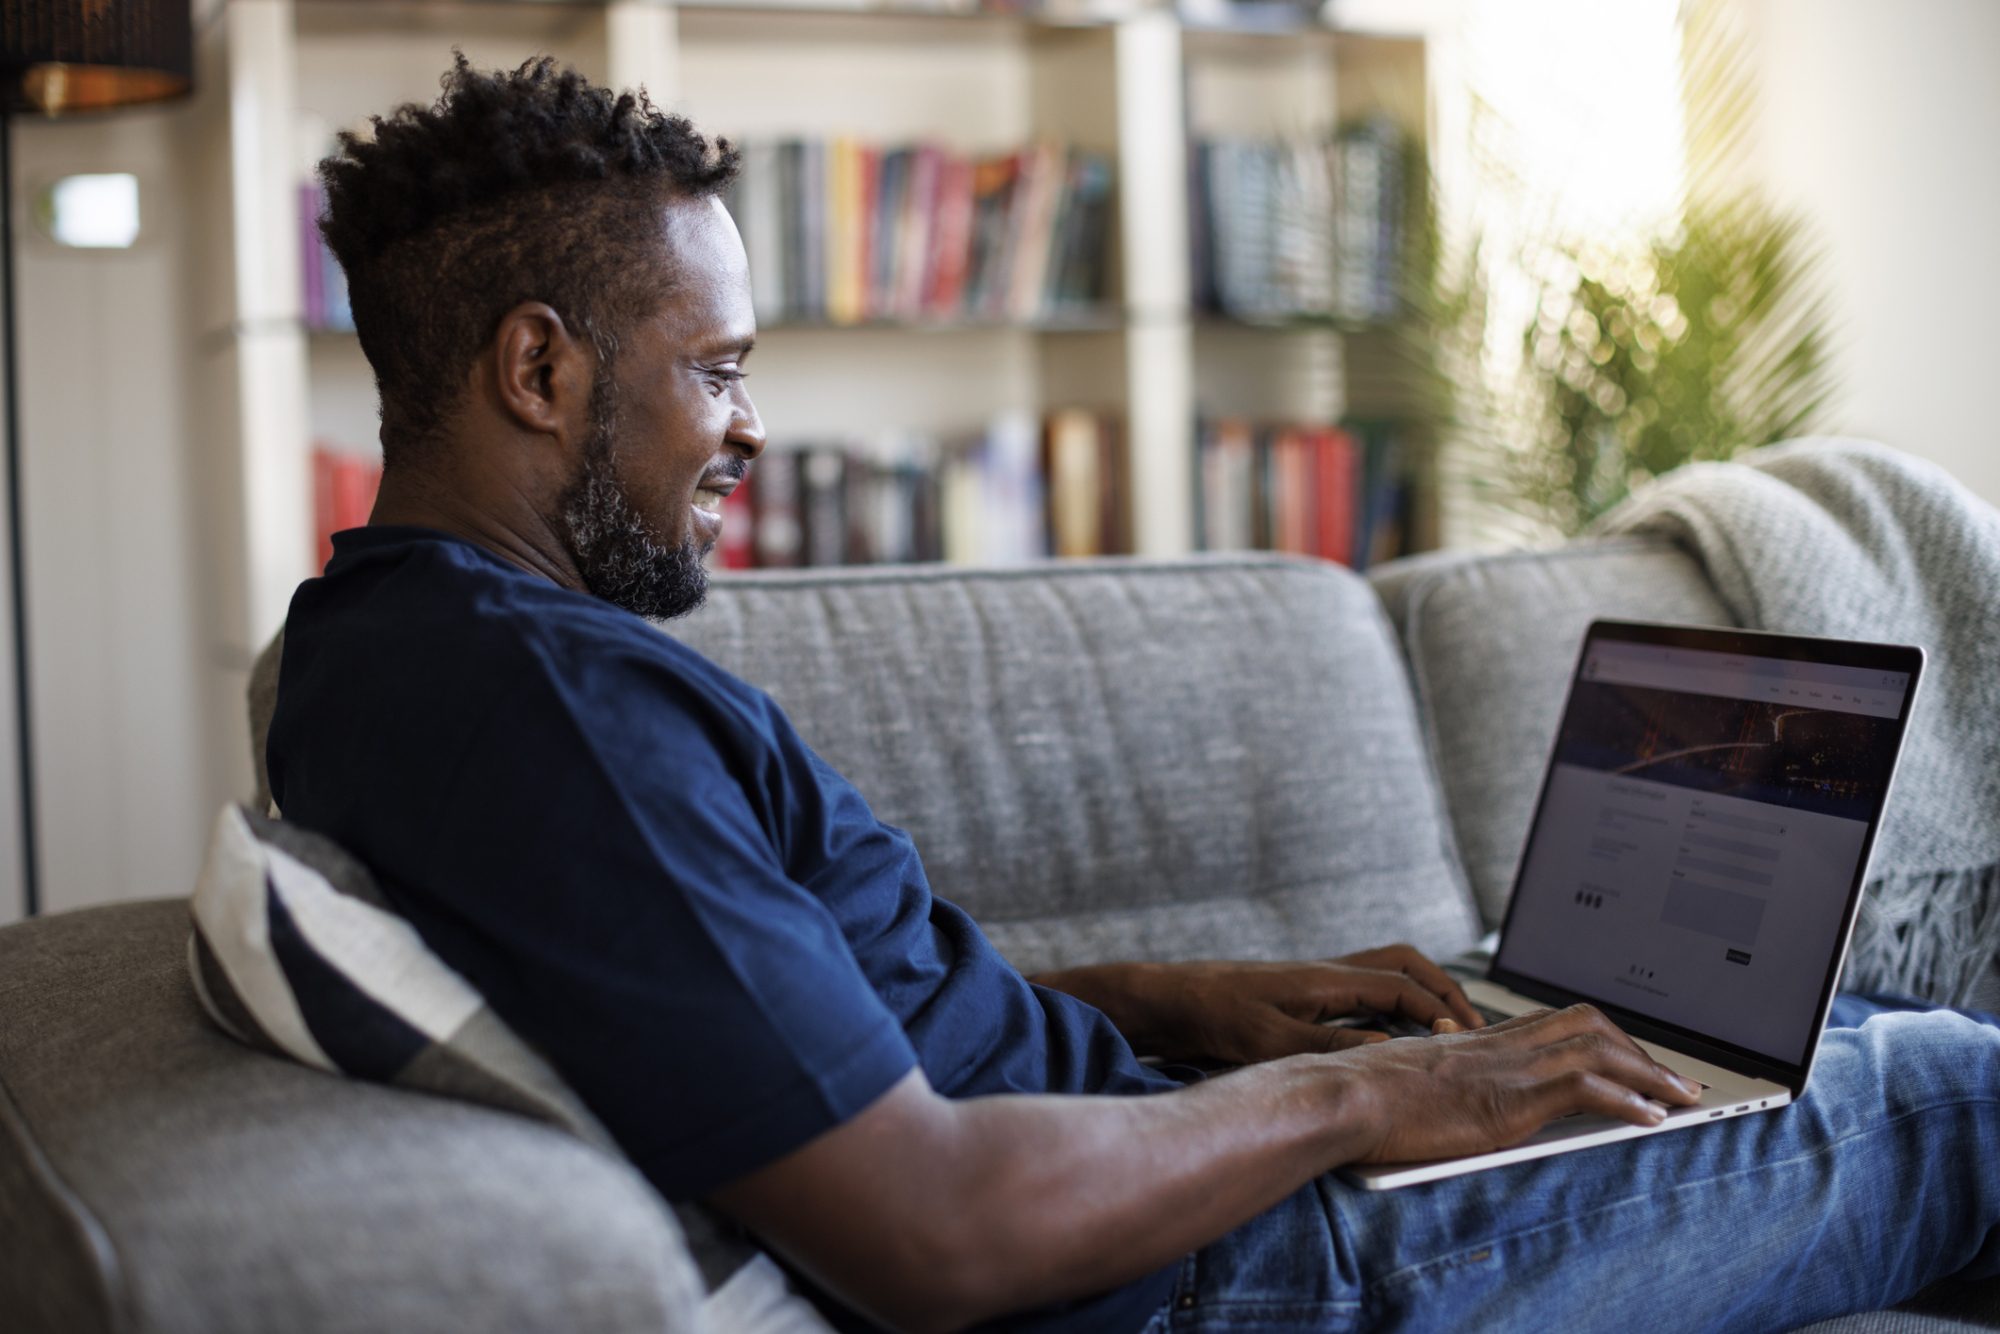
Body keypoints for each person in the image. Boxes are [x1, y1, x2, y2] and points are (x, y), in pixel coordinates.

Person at [269, 56, 2000, 1334]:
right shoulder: (552, 713)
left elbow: (794, 1024)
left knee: (1809, 1039)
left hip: (1162, 1162)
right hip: (1224, 1270)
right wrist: (1374, 1099)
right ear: (541, 366)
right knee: (1957, 1081)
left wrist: (1182, 1000)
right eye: (717, 371)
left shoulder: (378, 651)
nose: (748, 428)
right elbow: (932, 1231)